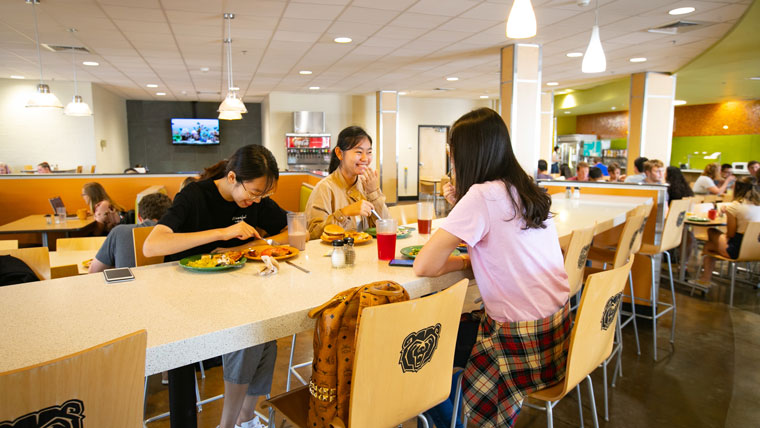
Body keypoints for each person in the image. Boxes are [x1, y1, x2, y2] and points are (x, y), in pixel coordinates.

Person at [415, 108, 570, 427]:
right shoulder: (523, 186)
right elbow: (501, 244)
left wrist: (462, 262)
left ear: (467, 154)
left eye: (452, 152)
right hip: (555, 336)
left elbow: (424, 265)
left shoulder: (482, 195)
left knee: (419, 356)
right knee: (444, 338)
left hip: (518, 344)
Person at [143, 145, 288, 428]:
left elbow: (294, 230)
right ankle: (228, 423)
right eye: (254, 193)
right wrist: (223, 233)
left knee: (267, 332)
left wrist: (253, 244)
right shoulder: (195, 196)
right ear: (232, 177)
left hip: (234, 293)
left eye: (264, 195)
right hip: (185, 299)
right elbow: (152, 245)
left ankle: (245, 418)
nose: (257, 202)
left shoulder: (254, 201)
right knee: (249, 333)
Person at [305, 126, 389, 239]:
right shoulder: (325, 188)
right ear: (339, 153)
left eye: (369, 152)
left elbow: (386, 227)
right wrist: (344, 213)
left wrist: (374, 192)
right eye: (359, 152)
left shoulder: (366, 184)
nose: (365, 158)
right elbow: (314, 234)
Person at [697, 177, 760, 286]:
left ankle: (704, 280)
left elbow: (730, 234)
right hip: (756, 250)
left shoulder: (734, 206)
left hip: (737, 250)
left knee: (712, 232)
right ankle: (704, 280)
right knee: (710, 245)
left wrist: (723, 237)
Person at [88, 193, 172, 273]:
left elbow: (93, 271)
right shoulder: (176, 235)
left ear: (139, 216)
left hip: (125, 286)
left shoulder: (118, 232)